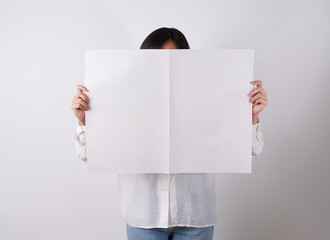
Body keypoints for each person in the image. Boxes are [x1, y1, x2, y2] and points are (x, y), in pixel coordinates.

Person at [71, 27, 267, 240]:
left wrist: (251, 117)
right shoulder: (125, 100)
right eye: (159, 59)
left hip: (195, 217)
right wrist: (84, 120)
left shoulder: (207, 98)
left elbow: (251, 150)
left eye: (174, 59)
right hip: (143, 216)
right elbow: (88, 155)